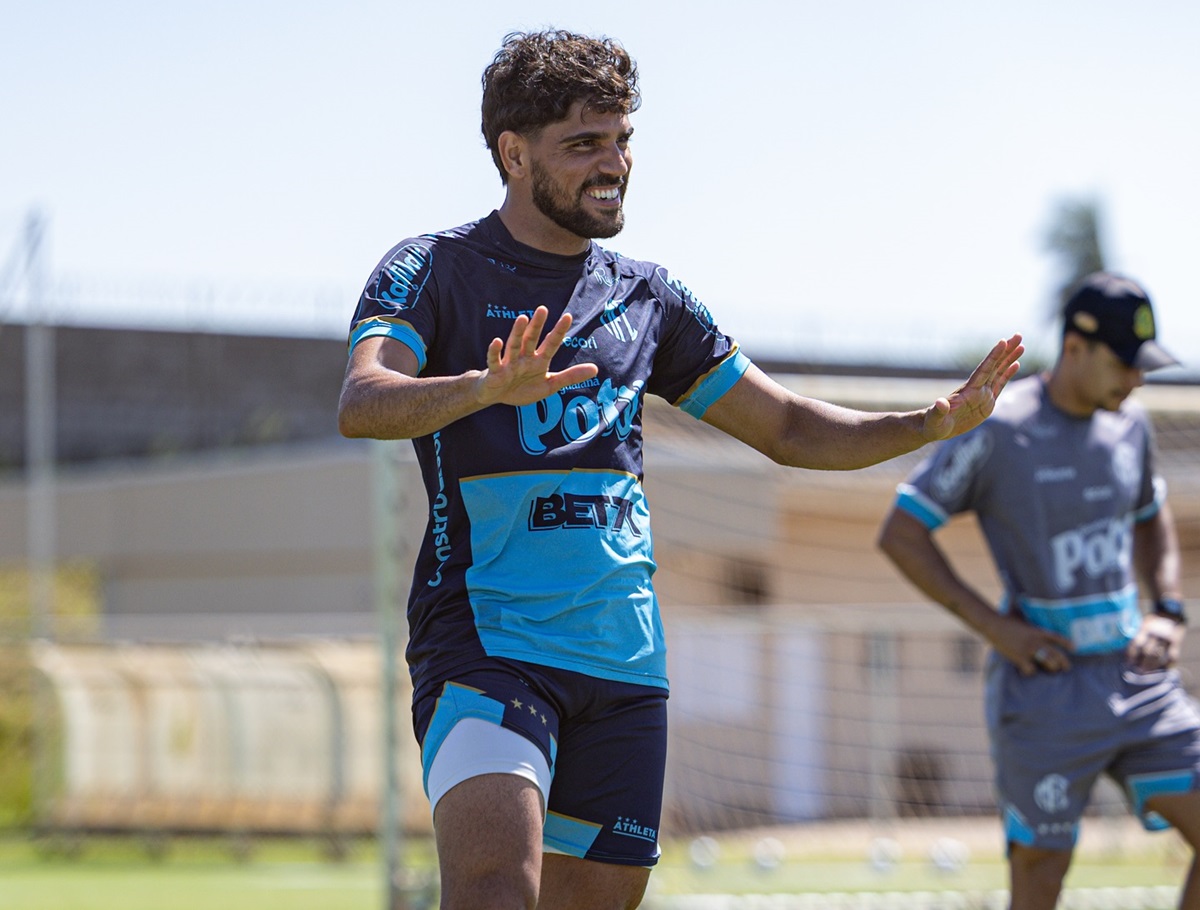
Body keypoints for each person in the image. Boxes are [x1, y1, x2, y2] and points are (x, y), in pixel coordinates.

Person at [338, 28, 1023, 910]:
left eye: (623, 139)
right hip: (489, 644)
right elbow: (363, 401)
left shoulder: (647, 297)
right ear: (513, 153)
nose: (613, 163)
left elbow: (788, 428)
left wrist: (931, 423)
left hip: (624, 663)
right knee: (494, 888)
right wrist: (483, 389)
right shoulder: (432, 269)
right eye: (584, 144)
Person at [877, 271, 1200, 910]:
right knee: (1040, 879)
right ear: (1075, 347)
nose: (1137, 380)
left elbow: (1151, 516)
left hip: (1138, 679)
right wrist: (998, 631)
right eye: (1125, 364)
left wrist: (1167, 609)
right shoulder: (1001, 426)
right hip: (1045, 692)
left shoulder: (1130, 426)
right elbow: (902, 533)